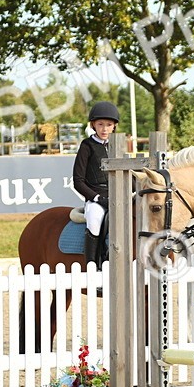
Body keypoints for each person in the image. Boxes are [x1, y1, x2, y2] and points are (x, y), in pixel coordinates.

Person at [72, 101, 120, 267]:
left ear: (114, 126)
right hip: (96, 198)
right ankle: (92, 266)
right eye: (100, 124)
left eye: (108, 125)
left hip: (119, 195)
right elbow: (78, 181)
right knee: (95, 219)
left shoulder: (118, 146)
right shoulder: (87, 146)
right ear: (93, 125)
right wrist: (97, 198)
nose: (104, 129)